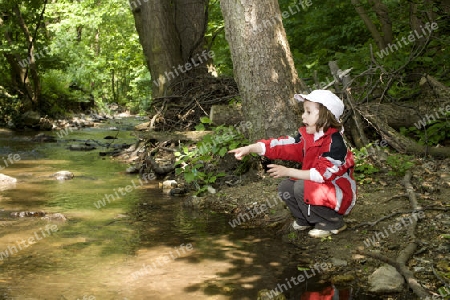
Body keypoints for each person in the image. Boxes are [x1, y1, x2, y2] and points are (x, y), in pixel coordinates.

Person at [229, 90, 356, 238]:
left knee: (301, 186)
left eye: (308, 112)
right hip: (319, 188)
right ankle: (306, 219)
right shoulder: (307, 137)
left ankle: (332, 222)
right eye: (304, 111)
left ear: (325, 116)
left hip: (339, 193)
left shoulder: (335, 144)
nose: (303, 116)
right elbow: (282, 146)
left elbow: (321, 175)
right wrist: (251, 148)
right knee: (286, 187)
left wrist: (288, 171)